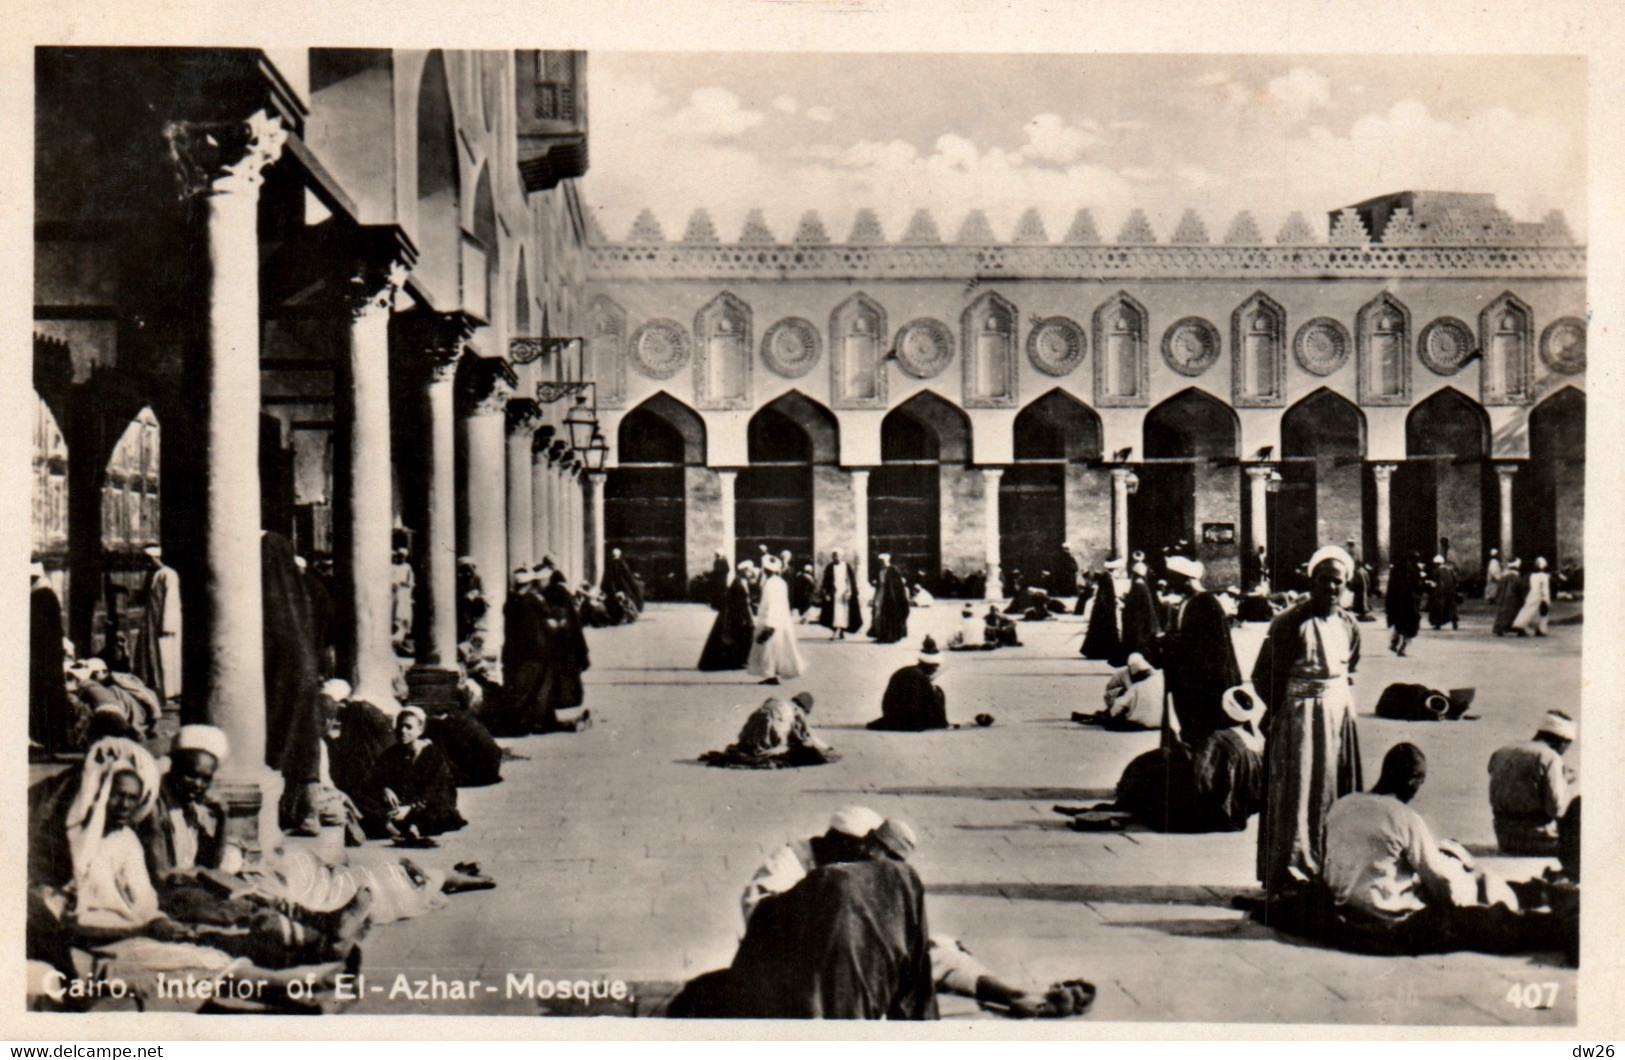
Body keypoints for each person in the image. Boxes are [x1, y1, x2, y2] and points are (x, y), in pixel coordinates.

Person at [1320, 743, 1556, 956]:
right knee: (1482, 905)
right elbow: (1440, 882)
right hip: (1384, 917)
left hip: (1345, 907)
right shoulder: (1404, 817)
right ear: (1413, 781)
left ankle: (1531, 892)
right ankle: (1542, 909)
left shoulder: (1343, 804)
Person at [1253, 546, 1364, 899]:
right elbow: (1262, 676)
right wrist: (1286, 710)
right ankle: (1290, 871)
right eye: (1325, 581)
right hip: (1299, 719)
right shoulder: (1288, 622)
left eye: (1338, 582)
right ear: (1311, 581)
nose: (1332, 589)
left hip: (1338, 717)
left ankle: (1329, 868)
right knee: (1297, 793)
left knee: (1334, 789)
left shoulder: (1349, 623)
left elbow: (1350, 668)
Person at [262, 530, 324, 836]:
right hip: (304, 680)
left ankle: (286, 811)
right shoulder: (298, 600)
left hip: (286, 681)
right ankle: (306, 811)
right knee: (303, 744)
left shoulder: (275, 601)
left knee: (282, 743)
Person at [1159, 555, 1242, 748]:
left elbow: (1203, 648)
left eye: (1173, 578)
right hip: (1190, 684)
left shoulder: (1205, 603)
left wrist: (1169, 642)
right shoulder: (1191, 601)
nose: (1169, 582)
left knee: (1203, 736)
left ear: (1185, 579)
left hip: (1203, 687)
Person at [359, 706, 465, 844]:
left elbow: (436, 792)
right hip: (396, 807)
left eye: (409, 727)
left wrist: (409, 809)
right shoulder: (390, 754)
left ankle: (413, 827)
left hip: (422, 806)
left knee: (440, 810)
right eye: (400, 726)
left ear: (420, 730)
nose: (403, 731)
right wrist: (384, 789)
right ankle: (390, 824)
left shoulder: (433, 756)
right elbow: (373, 780)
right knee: (361, 799)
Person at [1488, 710, 1576, 855]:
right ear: (1563, 740)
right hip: (1538, 839)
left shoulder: (1501, 752)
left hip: (1504, 838)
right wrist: (1564, 782)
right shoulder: (1550, 757)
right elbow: (1557, 809)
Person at [701, 692, 838, 769]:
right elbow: (806, 738)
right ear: (805, 709)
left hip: (746, 736)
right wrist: (826, 748)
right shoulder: (797, 712)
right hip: (764, 741)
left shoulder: (776, 700)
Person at [534, 572, 591, 733]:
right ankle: (569, 719)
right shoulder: (562, 595)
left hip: (554, 649)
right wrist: (582, 655)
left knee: (556, 685)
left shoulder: (545, 596)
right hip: (567, 650)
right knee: (568, 686)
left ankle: (557, 718)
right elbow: (575, 627)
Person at [31, 563, 74, 755]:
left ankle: (50, 739)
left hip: (43, 659)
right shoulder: (47, 595)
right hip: (50, 657)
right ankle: (54, 739)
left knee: (46, 699)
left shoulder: (40, 597)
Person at [133, 546, 182, 706]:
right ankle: (153, 687)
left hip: (161, 622)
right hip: (151, 619)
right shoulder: (152, 575)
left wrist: (168, 624)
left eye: (149, 560)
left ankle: (168, 692)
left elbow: (171, 600)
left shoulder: (169, 574)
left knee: (165, 656)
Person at [868, 637, 948, 731]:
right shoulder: (920, 677)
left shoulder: (908, 671)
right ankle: (938, 722)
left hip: (892, 715)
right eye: (936, 667)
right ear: (932, 666)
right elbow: (920, 702)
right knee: (938, 692)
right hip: (909, 720)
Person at [747, 555, 804, 685]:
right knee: (775, 648)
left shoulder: (770, 584)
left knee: (769, 649)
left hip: (771, 621)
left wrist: (769, 625)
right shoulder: (781, 582)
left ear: (767, 570)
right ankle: (772, 673)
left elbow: (773, 604)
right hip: (780, 621)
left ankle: (770, 675)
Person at [1074, 652, 1163, 730]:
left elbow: (1118, 706)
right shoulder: (1157, 679)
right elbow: (1109, 690)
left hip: (1138, 714)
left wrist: (1112, 715)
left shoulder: (1136, 687)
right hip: (1160, 720)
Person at [699, 562, 758, 671]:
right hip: (736, 614)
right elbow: (740, 602)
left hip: (735, 613)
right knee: (737, 636)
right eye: (749, 570)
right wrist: (745, 617)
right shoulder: (739, 582)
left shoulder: (740, 581)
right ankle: (737, 661)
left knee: (738, 636)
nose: (751, 573)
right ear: (745, 571)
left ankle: (739, 660)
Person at [1120, 556, 1162, 666]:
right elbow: (1149, 607)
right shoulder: (1143, 587)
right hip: (1141, 622)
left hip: (1135, 622)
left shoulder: (1136, 587)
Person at [1079, 565, 1124, 665]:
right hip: (1106, 609)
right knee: (1106, 629)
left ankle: (1096, 651)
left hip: (1103, 608)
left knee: (1099, 629)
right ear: (1114, 569)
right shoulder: (1108, 578)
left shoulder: (1106, 577)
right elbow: (1108, 595)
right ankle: (1103, 652)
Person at [817, 548, 863, 639]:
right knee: (834, 613)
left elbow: (850, 580)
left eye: (837, 555)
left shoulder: (846, 566)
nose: (835, 557)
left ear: (841, 556)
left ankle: (841, 630)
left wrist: (849, 591)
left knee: (844, 612)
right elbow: (826, 581)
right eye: (834, 555)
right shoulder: (830, 567)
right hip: (834, 593)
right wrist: (826, 592)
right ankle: (837, 630)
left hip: (844, 593)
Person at [869, 552, 911, 644]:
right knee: (877, 613)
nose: (882, 563)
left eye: (883, 561)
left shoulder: (893, 570)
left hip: (891, 595)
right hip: (881, 593)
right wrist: (874, 597)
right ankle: (880, 634)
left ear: (887, 560)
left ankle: (890, 636)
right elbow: (879, 585)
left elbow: (897, 585)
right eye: (880, 561)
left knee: (889, 614)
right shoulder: (880, 571)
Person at [1385, 550, 1421, 655]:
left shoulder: (1396, 569)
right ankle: (1403, 647)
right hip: (1410, 602)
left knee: (1399, 623)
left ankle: (1394, 643)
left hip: (1398, 603)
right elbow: (1417, 586)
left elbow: (1390, 587)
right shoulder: (1414, 570)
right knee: (1411, 626)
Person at [1513, 556, 1554, 636]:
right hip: (1541, 596)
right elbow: (1545, 589)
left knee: (1528, 610)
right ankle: (1541, 630)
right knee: (1543, 613)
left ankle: (1519, 625)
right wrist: (1546, 599)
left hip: (1532, 594)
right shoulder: (1544, 576)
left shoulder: (1532, 575)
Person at [601, 546, 645, 614]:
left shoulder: (613, 563)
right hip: (620, 584)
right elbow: (627, 575)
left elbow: (626, 574)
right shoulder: (619, 563)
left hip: (617, 584)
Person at [390, 545, 416, 655]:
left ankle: (399, 639)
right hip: (394, 594)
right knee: (394, 615)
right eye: (400, 556)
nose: (401, 558)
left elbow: (410, 583)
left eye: (403, 556)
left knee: (403, 616)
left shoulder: (407, 568)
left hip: (404, 594)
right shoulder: (393, 567)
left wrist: (401, 583)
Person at [1492, 558, 1527, 636]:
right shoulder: (1517, 577)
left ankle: (1500, 629)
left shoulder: (1504, 577)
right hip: (1514, 599)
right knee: (1515, 614)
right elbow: (1520, 588)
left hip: (1504, 598)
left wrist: (1498, 597)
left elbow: (1499, 588)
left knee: (1503, 614)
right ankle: (1519, 629)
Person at [1426, 554, 1460, 631]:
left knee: (1439, 607)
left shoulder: (1436, 571)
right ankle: (1454, 623)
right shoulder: (1450, 570)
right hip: (1450, 591)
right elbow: (1455, 581)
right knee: (1451, 608)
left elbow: (1435, 582)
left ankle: (1437, 624)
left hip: (1440, 591)